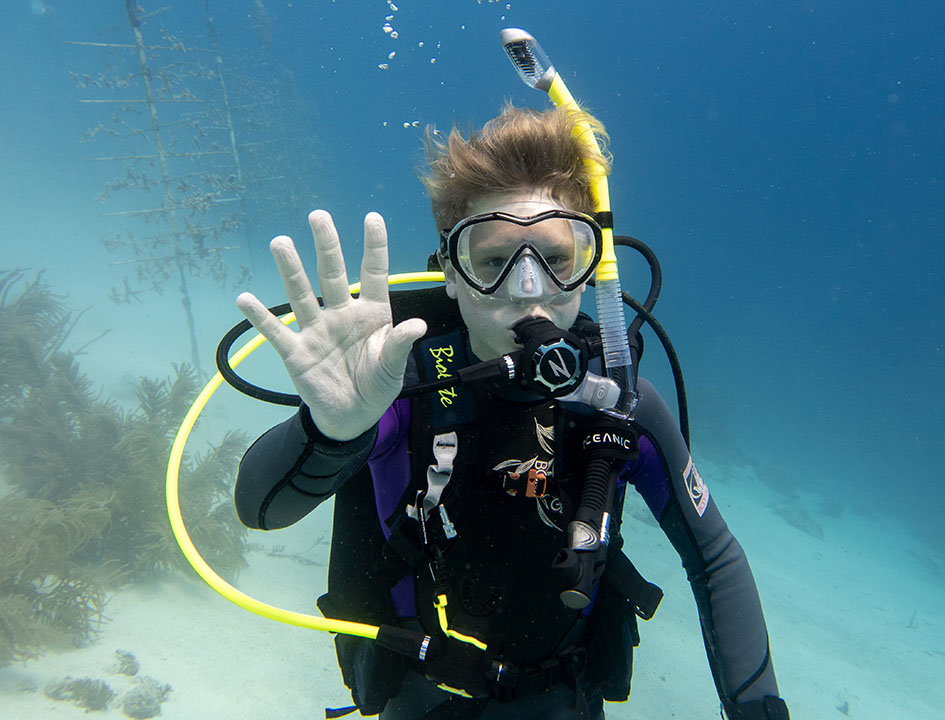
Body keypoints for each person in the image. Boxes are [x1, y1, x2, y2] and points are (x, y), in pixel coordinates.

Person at [233, 105, 789, 720]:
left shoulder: (622, 404)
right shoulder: (401, 388)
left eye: (556, 257)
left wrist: (756, 709)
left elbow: (714, 558)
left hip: (564, 701)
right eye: (494, 262)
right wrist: (331, 431)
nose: (530, 289)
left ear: (592, 269)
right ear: (450, 274)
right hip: (422, 701)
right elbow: (259, 510)